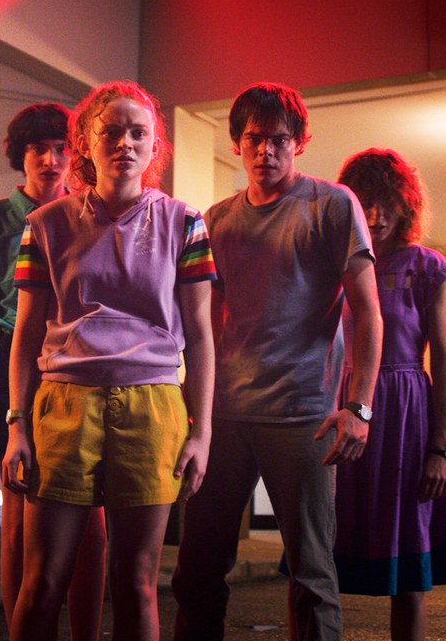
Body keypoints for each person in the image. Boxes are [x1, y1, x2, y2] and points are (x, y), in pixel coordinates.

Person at [4, 81, 216, 641]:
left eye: (139, 133)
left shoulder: (185, 222)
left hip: (153, 406)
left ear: (154, 146)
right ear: (85, 142)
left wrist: (202, 431)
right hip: (64, 404)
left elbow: (200, 335)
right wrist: (17, 424)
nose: (126, 143)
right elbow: (26, 333)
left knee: (137, 583)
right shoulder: (44, 224)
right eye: (112, 132)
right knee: (43, 581)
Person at [171, 82, 382, 641]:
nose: (265, 151)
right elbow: (205, 327)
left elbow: (367, 312)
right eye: (254, 139)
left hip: (303, 415)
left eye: (279, 140)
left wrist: (359, 406)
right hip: (225, 417)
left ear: (299, 143)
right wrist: (195, 411)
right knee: (196, 570)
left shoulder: (332, 205)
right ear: (237, 144)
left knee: (312, 574)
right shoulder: (216, 220)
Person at [0, 103, 107, 640]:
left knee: (92, 522)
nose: (51, 160)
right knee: (16, 520)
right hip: (13, 362)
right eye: (39, 149)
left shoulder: (89, 211)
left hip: (78, 363)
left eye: (61, 149)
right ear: (21, 154)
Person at [333, 148, 446, 641]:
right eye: (365, 201)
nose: (375, 214)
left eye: (386, 201)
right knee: (314, 560)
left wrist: (441, 449)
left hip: (408, 419)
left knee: (410, 576)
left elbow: (444, 364)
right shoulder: (338, 263)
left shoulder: (428, 268)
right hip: (343, 407)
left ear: (405, 205)